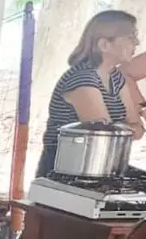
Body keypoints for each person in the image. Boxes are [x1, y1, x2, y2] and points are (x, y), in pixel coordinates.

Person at [38, 10, 145, 178]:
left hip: (101, 165)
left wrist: (123, 128)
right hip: (66, 170)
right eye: (130, 37)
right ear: (104, 45)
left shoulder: (115, 77)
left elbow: (137, 130)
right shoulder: (82, 79)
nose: (137, 42)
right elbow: (104, 135)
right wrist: (125, 128)